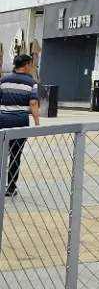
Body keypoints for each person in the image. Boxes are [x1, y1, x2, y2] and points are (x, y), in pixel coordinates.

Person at [0, 53, 40, 197]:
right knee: (15, 154)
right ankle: (11, 188)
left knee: (1, 152)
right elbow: (33, 103)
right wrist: (37, 123)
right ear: (26, 66)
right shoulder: (31, 82)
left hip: (2, 120)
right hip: (20, 121)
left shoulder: (3, 80)